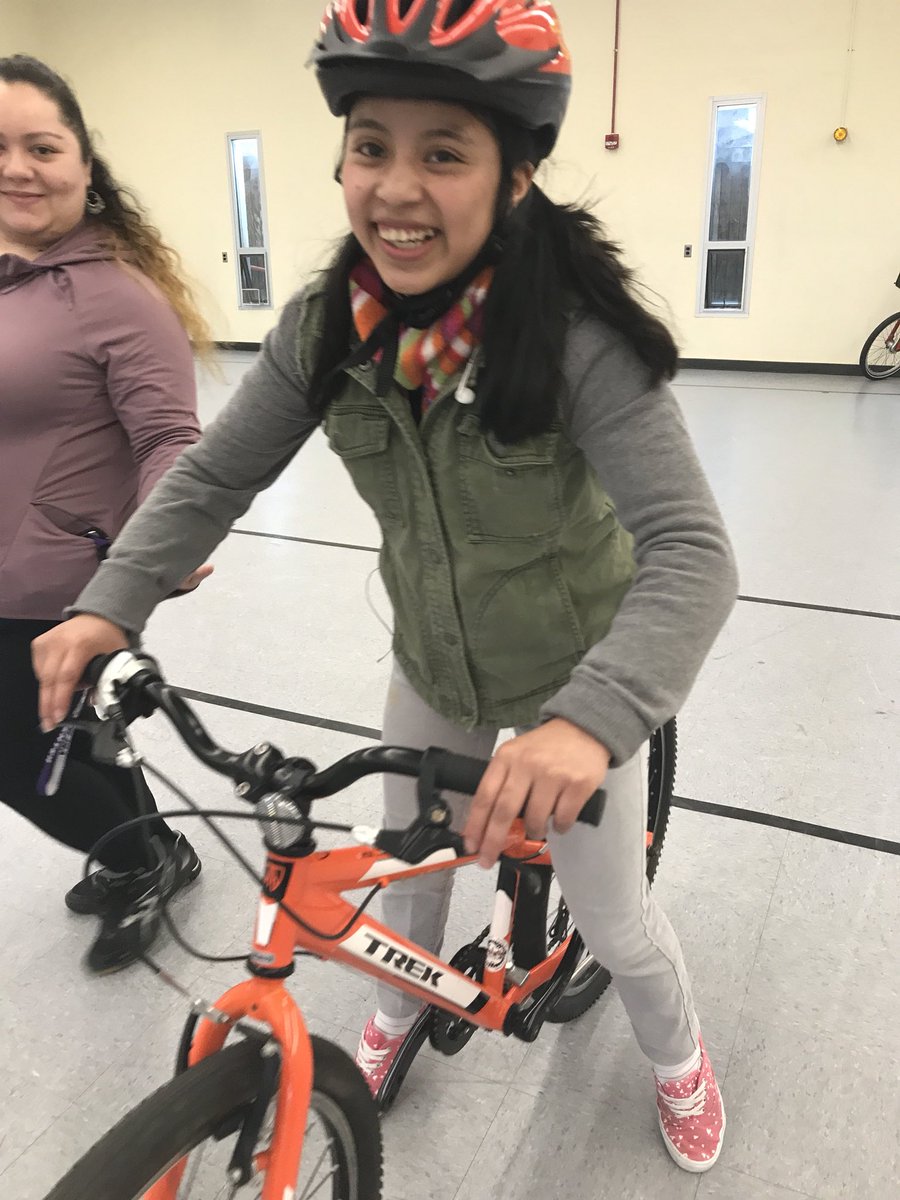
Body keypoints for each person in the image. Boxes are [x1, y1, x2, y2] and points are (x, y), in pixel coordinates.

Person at [32, 0, 739, 1173]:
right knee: (402, 881)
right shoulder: (327, 329)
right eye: (372, 146)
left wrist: (590, 722)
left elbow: (693, 549)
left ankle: (680, 1059)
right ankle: (404, 1005)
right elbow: (215, 472)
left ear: (514, 178)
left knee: (614, 918)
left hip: (580, 671)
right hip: (435, 659)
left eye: (443, 153)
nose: (396, 187)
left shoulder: (577, 338)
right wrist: (112, 599)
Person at [0, 54, 211, 974]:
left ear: (87, 166)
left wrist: (168, 544)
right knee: (69, 744)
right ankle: (151, 851)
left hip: (62, 585)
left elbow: (172, 436)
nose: (18, 167)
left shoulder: (117, 294)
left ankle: (139, 859)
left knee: (18, 755)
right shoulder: (14, 281)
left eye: (42, 147)